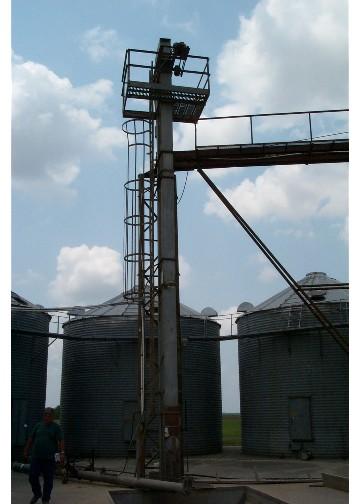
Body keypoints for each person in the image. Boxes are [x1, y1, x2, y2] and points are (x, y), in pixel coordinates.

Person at [23, 407, 64, 504]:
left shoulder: (56, 427)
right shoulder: (38, 425)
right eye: (45, 414)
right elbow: (31, 438)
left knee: (48, 481)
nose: (47, 416)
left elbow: (61, 440)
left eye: (49, 415)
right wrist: (26, 450)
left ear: (52, 416)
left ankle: (45, 499)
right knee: (32, 476)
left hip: (49, 459)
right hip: (36, 457)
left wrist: (62, 453)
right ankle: (37, 493)